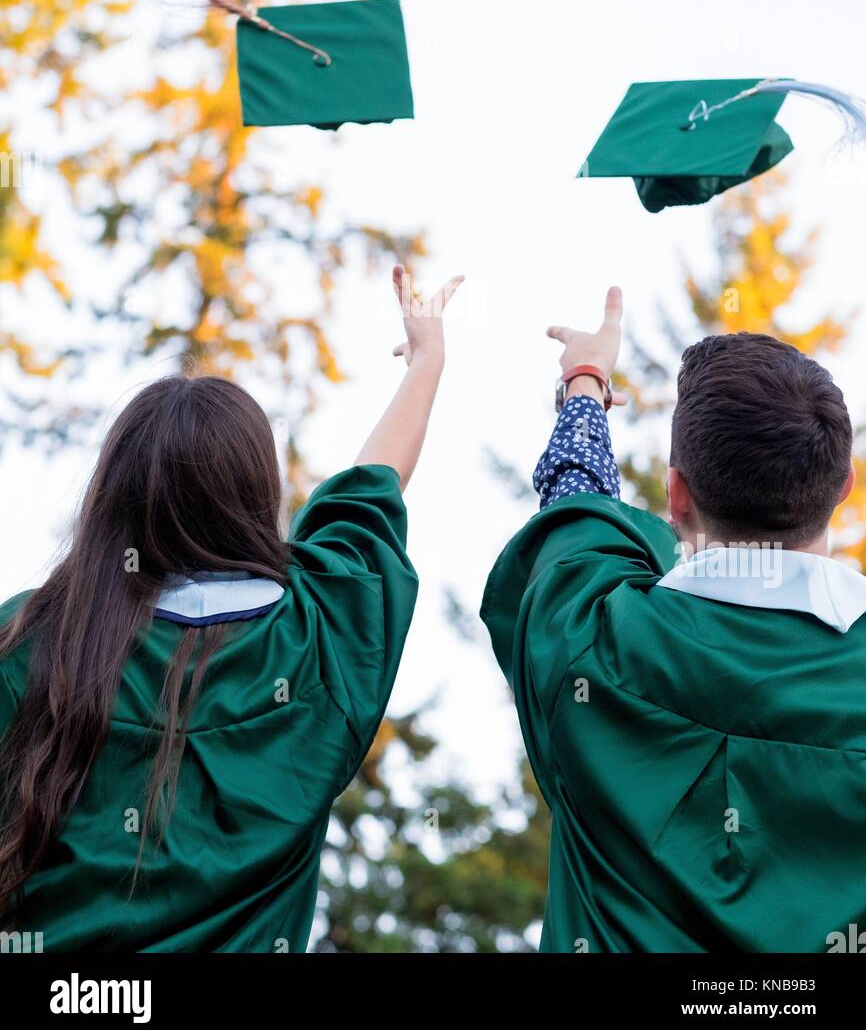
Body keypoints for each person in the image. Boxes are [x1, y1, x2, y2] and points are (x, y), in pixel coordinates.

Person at [0, 265, 461, 953]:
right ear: (254, 493)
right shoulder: (319, 635)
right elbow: (371, 493)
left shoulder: (33, 637)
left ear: (116, 499)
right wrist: (427, 362)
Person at [482, 287, 866, 953]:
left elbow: (574, 518)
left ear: (676, 495)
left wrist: (585, 388)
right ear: (843, 488)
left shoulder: (591, 645)